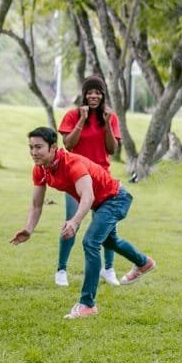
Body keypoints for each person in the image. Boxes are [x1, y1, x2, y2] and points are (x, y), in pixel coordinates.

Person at [10, 127, 156, 319]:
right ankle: (144, 263)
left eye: (39, 147)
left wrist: (74, 222)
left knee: (91, 242)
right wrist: (28, 229)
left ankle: (87, 304)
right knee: (109, 241)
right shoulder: (40, 170)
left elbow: (87, 196)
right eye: (31, 147)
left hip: (115, 198)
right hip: (102, 202)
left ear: (53, 147)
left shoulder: (72, 163)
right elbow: (37, 205)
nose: (34, 152)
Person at [55, 75, 123, 287]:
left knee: (107, 225)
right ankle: (61, 270)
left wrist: (109, 124)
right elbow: (68, 145)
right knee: (72, 220)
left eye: (97, 92)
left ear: (103, 95)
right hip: (75, 176)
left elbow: (112, 149)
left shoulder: (110, 117)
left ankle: (108, 268)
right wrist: (82, 120)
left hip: (101, 177)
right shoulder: (73, 115)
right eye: (89, 92)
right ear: (83, 94)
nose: (93, 96)